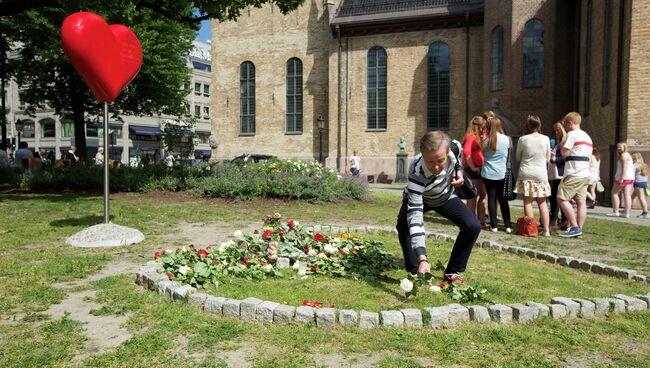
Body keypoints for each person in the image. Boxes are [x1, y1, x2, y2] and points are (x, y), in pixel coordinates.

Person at [396, 131, 480, 283]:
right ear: (422, 155)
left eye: (440, 161)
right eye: (430, 162)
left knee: (472, 226)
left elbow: (459, 150)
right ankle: (416, 269)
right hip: (421, 198)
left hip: (444, 197)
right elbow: (415, 218)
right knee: (404, 225)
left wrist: (459, 172)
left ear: (448, 152)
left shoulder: (453, 148)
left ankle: (452, 271)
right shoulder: (416, 172)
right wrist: (423, 257)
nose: (435, 167)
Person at [557, 112, 593, 238]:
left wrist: (561, 144)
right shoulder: (587, 136)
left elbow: (565, 153)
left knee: (561, 198)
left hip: (573, 173)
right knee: (581, 202)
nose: (564, 126)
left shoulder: (571, 135)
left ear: (570, 123)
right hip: (584, 173)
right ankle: (579, 228)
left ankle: (574, 226)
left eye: (565, 123)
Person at [515, 116, 551, 236]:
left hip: (526, 172)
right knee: (542, 202)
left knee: (527, 201)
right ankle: (546, 230)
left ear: (528, 126)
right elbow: (548, 158)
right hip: (541, 173)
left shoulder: (523, 139)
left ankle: (531, 229)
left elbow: (518, 157)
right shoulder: (545, 138)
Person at [481, 117, 512, 233]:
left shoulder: (486, 140)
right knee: (503, 199)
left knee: (491, 199)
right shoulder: (507, 139)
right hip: (502, 172)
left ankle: (494, 225)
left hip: (488, 172)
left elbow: (483, 152)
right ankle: (508, 225)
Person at [462, 116, 488, 227]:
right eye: (482, 127)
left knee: (484, 196)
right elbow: (466, 152)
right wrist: (472, 167)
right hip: (473, 170)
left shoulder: (483, 136)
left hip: (483, 169)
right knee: (473, 196)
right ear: (477, 127)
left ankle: (481, 220)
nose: (484, 129)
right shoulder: (470, 137)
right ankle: (471, 220)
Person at [548, 121, 567, 230]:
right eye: (555, 130)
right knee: (556, 198)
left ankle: (553, 222)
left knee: (556, 199)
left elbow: (566, 158)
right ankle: (563, 221)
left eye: (558, 130)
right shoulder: (557, 143)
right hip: (554, 174)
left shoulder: (564, 143)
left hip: (560, 174)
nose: (556, 132)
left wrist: (556, 159)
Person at [608, 142, 634, 218]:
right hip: (630, 178)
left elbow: (624, 168)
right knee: (627, 195)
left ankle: (616, 212)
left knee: (614, 193)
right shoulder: (628, 155)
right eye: (618, 147)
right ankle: (627, 213)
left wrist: (622, 178)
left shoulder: (623, 156)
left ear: (625, 147)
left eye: (620, 147)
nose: (618, 149)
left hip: (622, 178)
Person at [631, 152, 648, 218]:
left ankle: (645, 213)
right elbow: (645, 174)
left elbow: (631, 172)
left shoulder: (635, 164)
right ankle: (627, 209)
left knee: (641, 198)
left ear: (635, 157)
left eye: (632, 157)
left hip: (638, 182)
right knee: (632, 197)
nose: (631, 158)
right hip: (643, 182)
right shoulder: (643, 164)